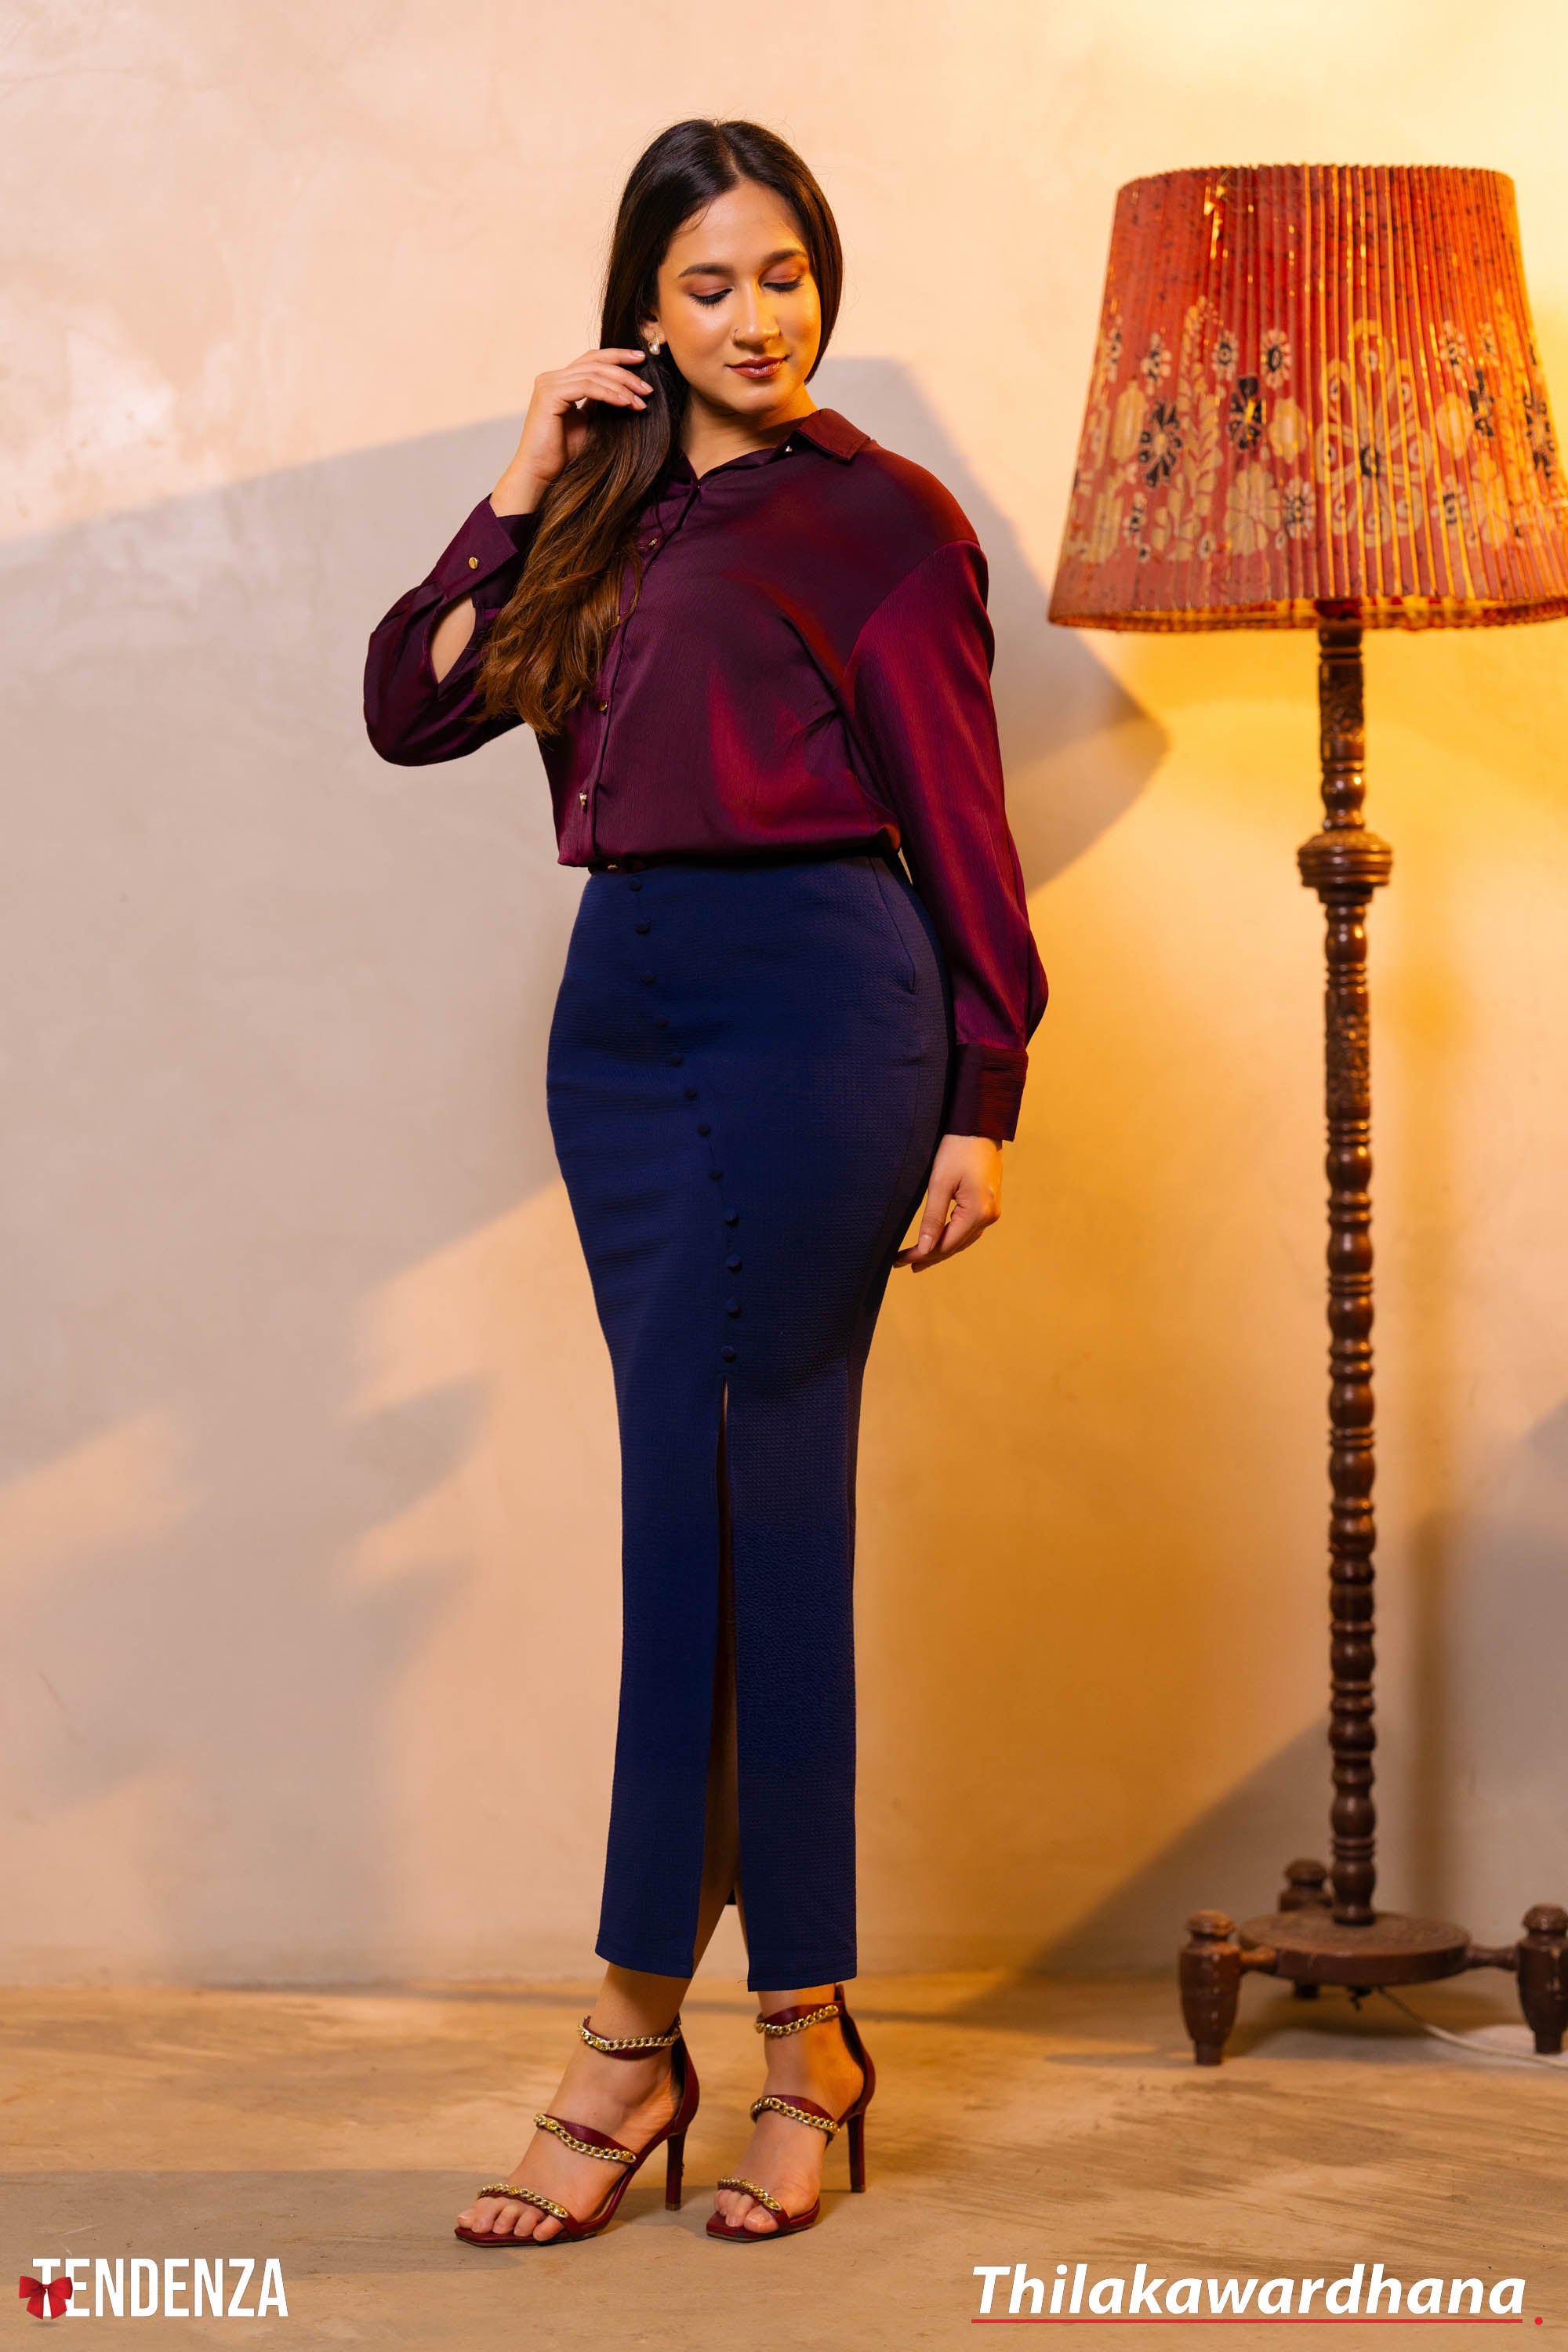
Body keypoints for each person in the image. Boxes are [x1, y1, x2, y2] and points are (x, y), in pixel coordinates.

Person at [364, 114, 1045, 2247]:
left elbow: (963, 818)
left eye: (787, 273)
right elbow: (408, 709)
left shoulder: (882, 520)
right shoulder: (599, 509)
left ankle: (638, 2039)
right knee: (715, 1527)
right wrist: (518, 481)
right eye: (711, 285)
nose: (762, 318)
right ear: (641, 314)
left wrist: (985, 1088)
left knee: (737, 1538)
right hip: (623, 1037)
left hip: (817, 1015)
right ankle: (800, 2042)